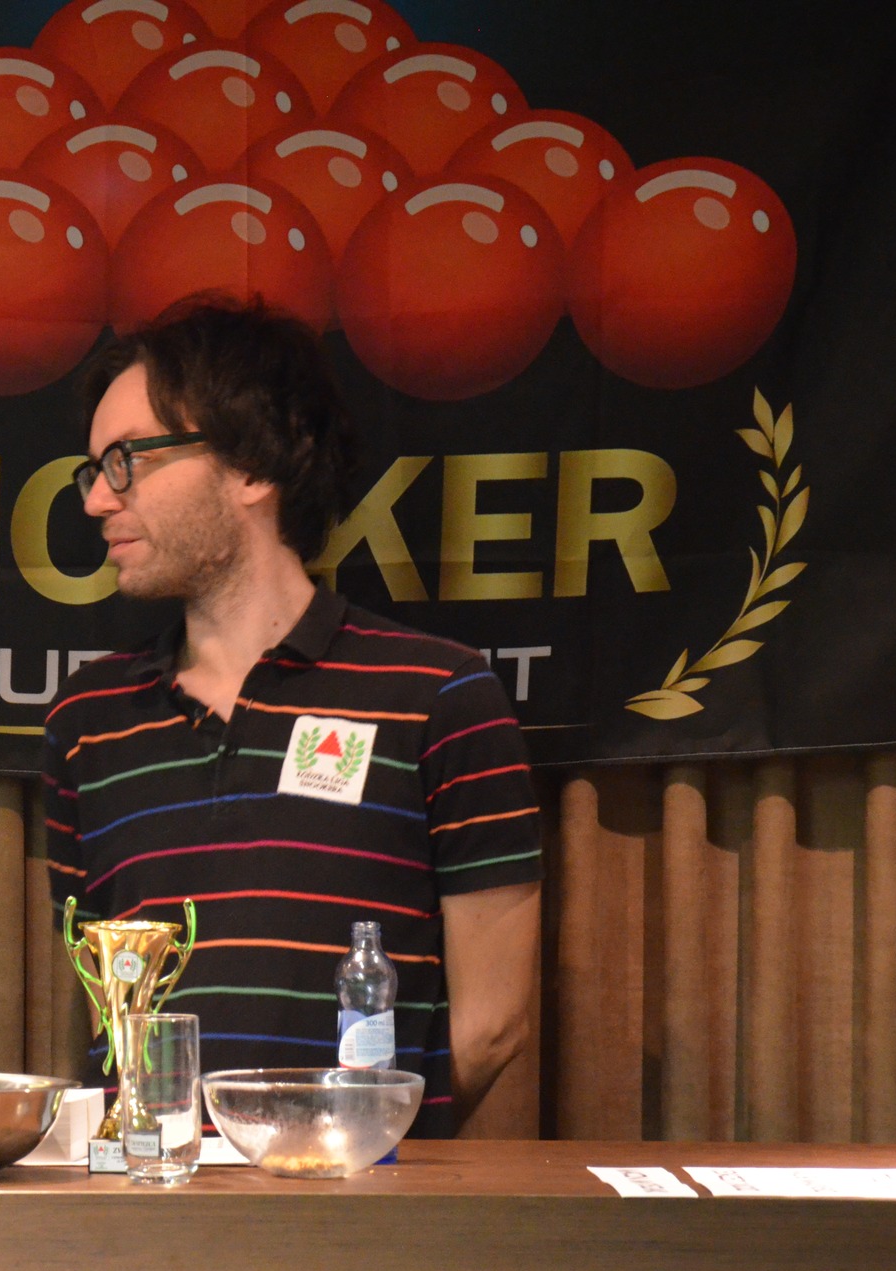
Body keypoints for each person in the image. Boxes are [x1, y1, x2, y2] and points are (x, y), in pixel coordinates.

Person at [43, 296, 542, 1137]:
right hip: (149, 1197)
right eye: (92, 470)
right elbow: (105, 998)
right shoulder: (88, 720)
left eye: (126, 460)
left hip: (357, 1203)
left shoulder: (439, 695)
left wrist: (334, 1147)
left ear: (251, 465)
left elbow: (493, 1023)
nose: (97, 499)